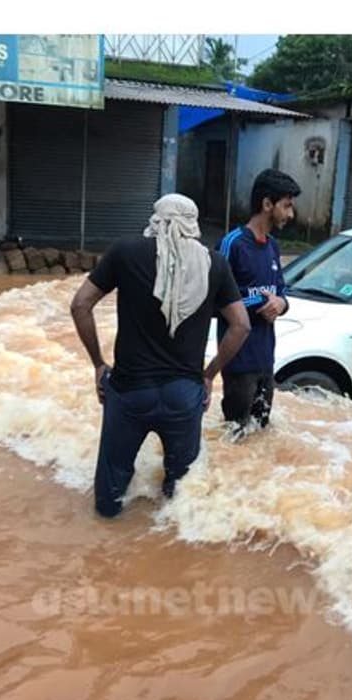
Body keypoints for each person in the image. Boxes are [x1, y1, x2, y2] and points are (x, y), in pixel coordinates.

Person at [70, 193, 250, 518]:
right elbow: (241, 325)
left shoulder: (125, 252)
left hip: (128, 392)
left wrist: (98, 364)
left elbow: (80, 304)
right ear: (193, 223)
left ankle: (107, 556)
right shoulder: (214, 264)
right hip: (184, 395)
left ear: (157, 219)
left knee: (108, 502)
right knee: (180, 503)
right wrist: (209, 375)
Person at [216, 169, 301, 434]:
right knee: (235, 436)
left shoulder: (273, 246)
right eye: (286, 206)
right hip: (239, 362)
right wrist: (257, 303)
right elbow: (215, 297)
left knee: (260, 436)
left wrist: (281, 304)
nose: (291, 214)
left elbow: (281, 292)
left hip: (266, 360)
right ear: (267, 204)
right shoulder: (233, 244)